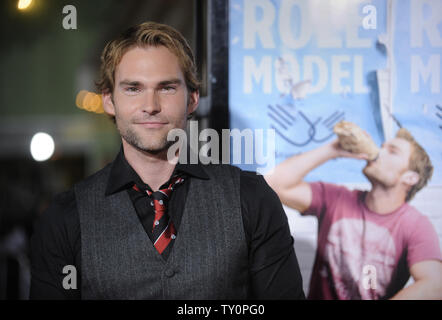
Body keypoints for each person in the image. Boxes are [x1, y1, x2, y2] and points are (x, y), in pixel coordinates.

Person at [29, 22, 305, 299]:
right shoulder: (65, 216)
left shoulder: (251, 198)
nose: (150, 105)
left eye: (167, 87)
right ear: (109, 101)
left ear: (192, 99)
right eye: (133, 89)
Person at [265, 130, 442, 299]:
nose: (379, 152)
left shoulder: (416, 225)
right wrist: (332, 150)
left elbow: (435, 285)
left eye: (392, 151)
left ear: (410, 178)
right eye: (382, 146)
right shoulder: (335, 198)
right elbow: (272, 184)